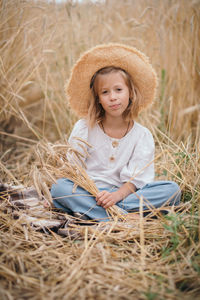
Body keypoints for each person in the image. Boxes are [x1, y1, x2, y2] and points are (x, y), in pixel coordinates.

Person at [51, 44, 181, 222]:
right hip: (89, 193)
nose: (113, 97)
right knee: (60, 188)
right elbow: (72, 170)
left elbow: (137, 179)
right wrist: (94, 194)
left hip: (125, 196)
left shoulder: (142, 135)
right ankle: (124, 219)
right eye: (105, 92)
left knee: (172, 190)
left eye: (118, 90)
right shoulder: (84, 128)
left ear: (130, 93)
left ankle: (99, 214)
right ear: (98, 99)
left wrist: (116, 197)